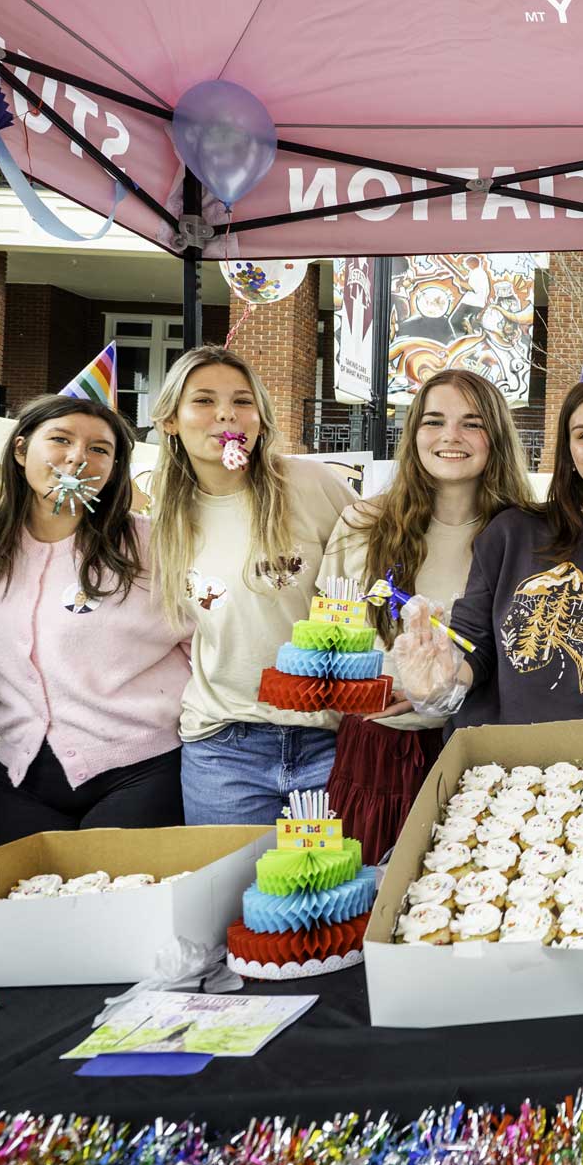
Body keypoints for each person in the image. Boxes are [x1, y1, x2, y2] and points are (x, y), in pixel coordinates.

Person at [388, 377, 583, 725]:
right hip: (489, 762)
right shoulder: (512, 532)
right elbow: (474, 649)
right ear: (569, 450)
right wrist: (441, 680)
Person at [0, 393, 188, 842]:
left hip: (140, 767)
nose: (78, 457)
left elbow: (204, 640)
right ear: (21, 450)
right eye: (60, 440)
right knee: (27, 904)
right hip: (21, 771)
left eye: (100, 449)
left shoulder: (153, 545)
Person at [321, 368, 533, 859]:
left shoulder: (527, 536)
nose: (450, 437)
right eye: (434, 421)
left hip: (480, 751)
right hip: (376, 750)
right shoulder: (363, 523)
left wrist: (440, 693)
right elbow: (327, 634)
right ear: (413, 432)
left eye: (472, 423)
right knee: (367, 910)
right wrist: (354, 692)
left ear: (496, 436)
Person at [147, 345, 353, 824]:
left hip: (330, 737)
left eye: (242, 400)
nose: (226, 414)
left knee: (339, 893)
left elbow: (378, 569)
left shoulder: (309, 483)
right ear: (171, 421)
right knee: (230, 898)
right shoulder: (165, 518)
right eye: (203, 401)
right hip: (224, 746)